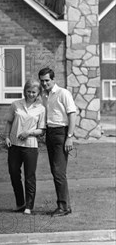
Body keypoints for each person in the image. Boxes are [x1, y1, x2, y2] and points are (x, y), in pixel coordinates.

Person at [38, 67, 77, 217]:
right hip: (50, 133)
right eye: (42, 81)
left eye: (47, 80)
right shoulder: (45, 96)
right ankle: (65, 205)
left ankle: (63, 207)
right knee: (55, 171)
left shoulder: (63, 93)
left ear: (53, 80)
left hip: (62, 133)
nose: (44, 83)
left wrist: (70, 136)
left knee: (59, 171)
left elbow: (72, 115)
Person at [4, 79, 46, 215]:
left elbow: (41, 130)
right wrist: (6, 136)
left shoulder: (41, 108)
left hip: (30, 146)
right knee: (14, 173)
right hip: (14, 145)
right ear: (25, 91)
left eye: (34, 92)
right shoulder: (16, 104)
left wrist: (29, 132)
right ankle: (20, 203)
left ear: (38, 92)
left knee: (29, 176)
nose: (31, 94)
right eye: (28, 91)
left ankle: (29, 205)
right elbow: (9, 122)